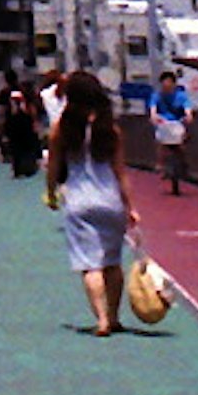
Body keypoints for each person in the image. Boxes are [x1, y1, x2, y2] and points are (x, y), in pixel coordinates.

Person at [46, 68, 140, 336]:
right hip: (110, 200)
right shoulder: (110, 130)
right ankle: (114, 316)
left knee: (90, 265)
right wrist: (131, 207)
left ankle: (100, 320)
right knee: (112, 262)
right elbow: (121, 172)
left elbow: (53, 166)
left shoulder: (61, 130)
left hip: (78, 200)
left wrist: (51, 192)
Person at [0, 67, 43, 179]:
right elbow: (33, 108)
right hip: (26, 123)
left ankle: (17, 169)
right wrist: (35, 122)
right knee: (28, 146)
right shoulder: (25, 90)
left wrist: (1, 126)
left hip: (12, 124)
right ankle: (30, 167)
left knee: (15, 146)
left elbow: (2, 110)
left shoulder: (4, 93)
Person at [150, 72, 193, 196]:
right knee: (160, 141)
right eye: (164, 83)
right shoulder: (156, 96)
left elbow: (187, 109)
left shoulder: (181, 96)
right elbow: (153, 109)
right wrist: (153, 117)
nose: (167, 85)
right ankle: (160, 164)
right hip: (163, 122)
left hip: (177, 122)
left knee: (182, 143)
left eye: (169, 82)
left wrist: (188, 116)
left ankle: (184, 164)